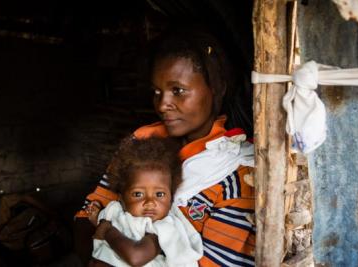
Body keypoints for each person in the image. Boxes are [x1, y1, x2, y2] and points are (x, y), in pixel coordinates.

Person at [74, 27, 256, 267]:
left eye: (177, 90)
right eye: (157, 92)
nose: (162, 104)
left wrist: (108, 234)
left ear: (217, 88)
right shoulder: (140, 145)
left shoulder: (236, 175)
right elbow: (88, 213)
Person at [88, 136, 203, 266]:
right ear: (122, 198)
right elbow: (107, 223)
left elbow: (136, 258)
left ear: (171, 198)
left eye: (159, 194)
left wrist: (107, 230)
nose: (150, 202)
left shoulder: (162, 228)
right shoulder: (117, 210)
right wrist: (99, 219)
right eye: (138, 194)